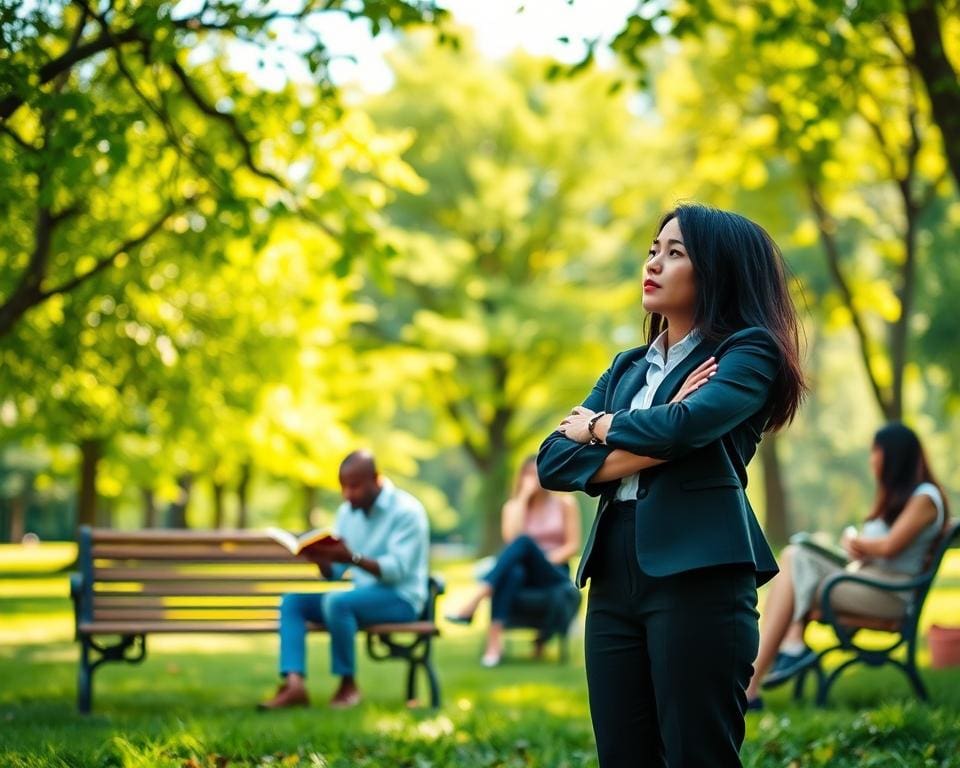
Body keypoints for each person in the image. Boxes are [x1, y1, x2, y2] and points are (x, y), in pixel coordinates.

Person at [537, 203, 806, 768]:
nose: (655, 263)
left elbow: (684, 426)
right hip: (612, 575)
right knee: (623, 754)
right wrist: (658, 441)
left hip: (700, 574)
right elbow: (552, 461)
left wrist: (599, 427)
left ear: (718, 270)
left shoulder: (748, 352)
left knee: (696, 754)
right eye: (654, 249)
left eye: (676, 252)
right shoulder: (627, 366)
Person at [745, 422, 949, 705]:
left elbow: (890, 547)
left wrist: (857, 541)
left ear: (895, 455)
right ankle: (774, 663)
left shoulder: (926, 498)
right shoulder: (897, 499)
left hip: (887, 596)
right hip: (865, 584)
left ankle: (762, 676)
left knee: (793, 571)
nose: (872, 459)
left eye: (875, 451)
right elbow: (878, 548)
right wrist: (856, 543)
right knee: (794, 557)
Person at [258, 450, 430, 710]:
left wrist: (353, 558)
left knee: (337, 603)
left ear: (376, 479)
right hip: (358, 597)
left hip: (401, 600)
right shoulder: (347, 513)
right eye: (343, 487)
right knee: (293, 602)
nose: (347, 494)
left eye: (354, 486)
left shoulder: (407, 512)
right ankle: (294, 685)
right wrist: (322, 560)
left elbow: (397, 570)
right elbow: (336, 573)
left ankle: (347, 685)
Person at [445, 456, 582, 666]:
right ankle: (494, 643)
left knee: (525, 542)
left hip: (553, 572)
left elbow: (572, 545)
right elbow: (511, 539)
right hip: (524, 574)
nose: (533, 479)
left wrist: (541, 560)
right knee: (513, 571)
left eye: (536, 473)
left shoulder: (565, 503)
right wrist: (524, 498)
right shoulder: (513, 507)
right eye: (528, 474)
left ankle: (476, 598)